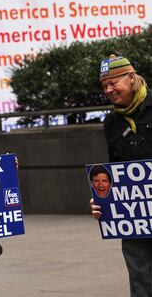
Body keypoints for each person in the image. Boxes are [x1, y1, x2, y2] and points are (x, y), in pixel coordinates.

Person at [90, 54, 151, 296]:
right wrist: (102, 199)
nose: (108, 89)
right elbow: (114, 171)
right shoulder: (111, 123)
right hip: (135, 216)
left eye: (113, 82)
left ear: (132, 78)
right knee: (140, 281)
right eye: (105, 85)